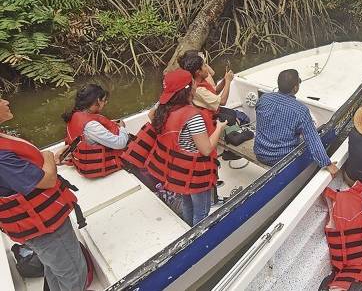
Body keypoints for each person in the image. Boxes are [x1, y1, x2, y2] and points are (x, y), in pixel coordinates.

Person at [0, 98, 88, 290]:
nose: (6, 101)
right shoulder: (2, 157)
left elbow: (25, 174)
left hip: (43, 227)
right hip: (46, 230)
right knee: (73, 272)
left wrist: (48, 162)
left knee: (55, 268)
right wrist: (47, 155)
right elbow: (47, 180)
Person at [145, 69, 227, 226]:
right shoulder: (192, 116)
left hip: (176, 171)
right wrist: (219, 128)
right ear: (189, 89)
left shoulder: (163, 108)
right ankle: (197, 236)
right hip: (195, 174)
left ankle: (187, 226)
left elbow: (151, 115)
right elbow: (206, 149)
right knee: (201, 211)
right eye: (193, 82)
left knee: (187, 203)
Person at [254, 69, 339, 176]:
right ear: (295, 88)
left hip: (260, 153)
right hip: (281, 160)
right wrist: (328, 164)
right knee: (310, 137)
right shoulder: (301, 110)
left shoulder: (264, 99)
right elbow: (313, 140)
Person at [62, 84, 129, 178]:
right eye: (104, 100)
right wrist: (122, 128)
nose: (105, 102)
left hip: (80, 161)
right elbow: (120, 143)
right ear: (98, 100)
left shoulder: (75, 115)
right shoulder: (91, 125)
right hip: (96, 166)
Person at [178, 50, 234, 118]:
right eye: (204, 66)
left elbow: (215, 92)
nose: (207, 68)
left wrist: (224, 80)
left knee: (237, 114)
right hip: (211, 117)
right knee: (242, 118)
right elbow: (222, 102)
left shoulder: (200, 80)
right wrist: (228, 82)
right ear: (198, 72)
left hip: (214, 110)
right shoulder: (198, 89)